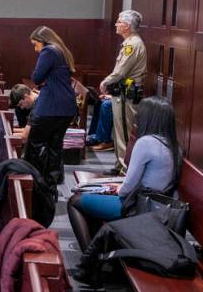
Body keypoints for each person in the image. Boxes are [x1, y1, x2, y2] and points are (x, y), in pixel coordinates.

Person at [67, 97, 181, 249]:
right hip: (160, 206)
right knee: (92, 201)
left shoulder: (146, 143)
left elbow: (127, 189)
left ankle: (92, 256)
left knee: (74, 201)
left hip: (138, 207)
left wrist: (115, 188)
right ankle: (102, 248)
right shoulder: (174, 146)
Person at [22, 26, 77, 190]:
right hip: (66, 107)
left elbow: (36, 77)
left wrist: (42, 79)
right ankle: (50, 187)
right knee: (55, 146)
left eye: (35, 44)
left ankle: (33, 185)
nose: (36, 49)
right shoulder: (61, 50)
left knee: (34, 146)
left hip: (51, 106)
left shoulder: (48, 51)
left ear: (43, 41)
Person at [100, 10, 147, 175]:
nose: (116, 24)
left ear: (126, 26)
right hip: (122, 92)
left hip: (126, 94)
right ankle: (120, 165)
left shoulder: (132, 45)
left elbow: (121, 71)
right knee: (119, 131)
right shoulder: (130, 42)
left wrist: (106, 81)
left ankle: (126, 170)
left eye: (119, 22)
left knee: (125, 133)